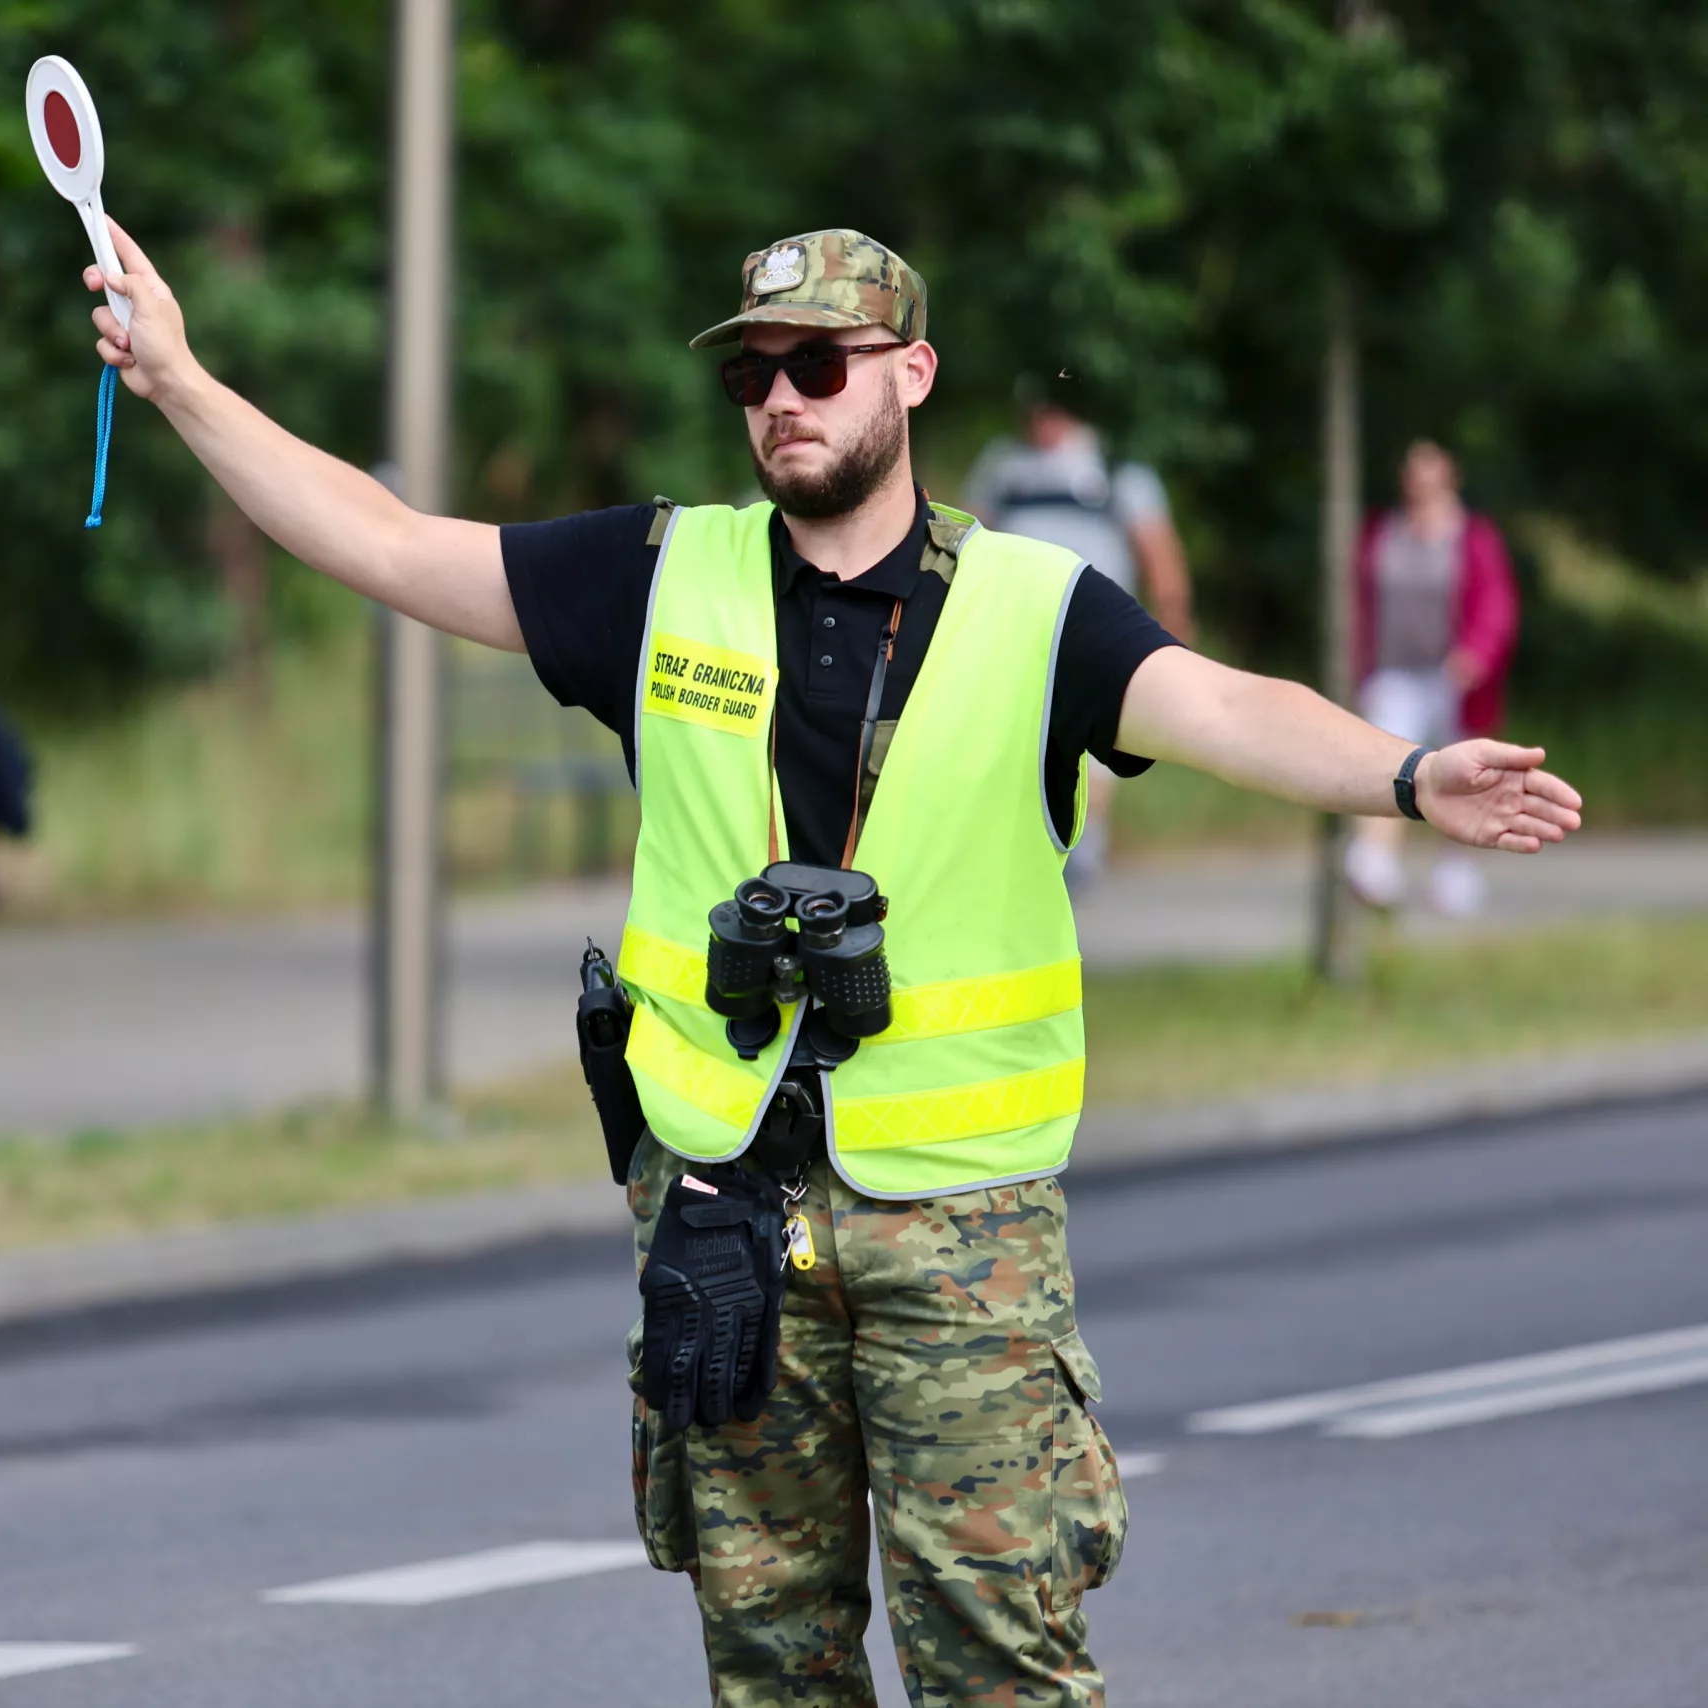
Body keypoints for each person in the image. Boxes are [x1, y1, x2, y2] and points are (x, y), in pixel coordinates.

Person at [76, 222, 1581, 1706]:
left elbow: (1230, 708)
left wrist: (1405, 776)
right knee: (770, 1668)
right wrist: (181, 381)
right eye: (753, 375)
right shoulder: (663, 573)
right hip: (727, 1208)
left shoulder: (1034, 607)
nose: (781, 400)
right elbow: (390, 542)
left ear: (910, 373)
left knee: (1000, 1670)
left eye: (818, 365)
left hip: (961, 1232)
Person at [964, 378, 1196, 885]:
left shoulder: (1116, 470)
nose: (1042, 421)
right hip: (1014, 631)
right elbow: (968, 538)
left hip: (1096, 632)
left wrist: (1172, 626)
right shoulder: (1003, 467)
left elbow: (1158, 551)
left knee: (1096, 740)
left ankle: (1081, 851)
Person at [1344, 439, 1521, 916]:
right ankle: (1375, 858)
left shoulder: (1474, 538)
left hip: (1455, 679)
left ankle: (1455, 868)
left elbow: (1498, 606)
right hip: (1393, 672)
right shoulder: (1382, 531)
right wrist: (1356, 661)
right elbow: (1359, 601)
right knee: (1386, 760)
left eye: (1429, 471)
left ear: (1449, 476)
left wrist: (1477, 654)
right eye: (1412, 471)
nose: (1419, 481)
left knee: (1463, 770)